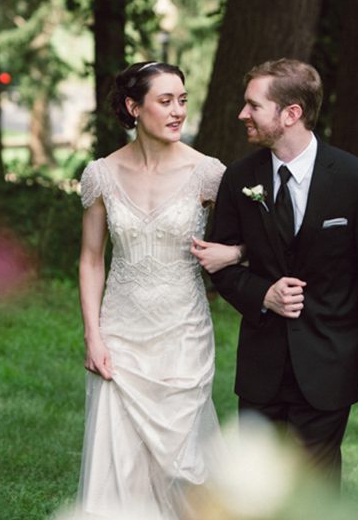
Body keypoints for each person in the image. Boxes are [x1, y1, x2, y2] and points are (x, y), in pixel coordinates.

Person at [204, 58, 358, 489]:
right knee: (255, 490)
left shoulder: (357, 180)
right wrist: (263, 294)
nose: (242, 115)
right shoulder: (240, 178)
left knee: (311, 491)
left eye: (253, 106)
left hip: (330, 363)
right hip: (262, 366)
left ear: (290, 113)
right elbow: (219, 264)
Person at [77, 61, 241, 519]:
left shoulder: (209, 174)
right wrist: (93, 334)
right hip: (121, 332)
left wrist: (233, 253)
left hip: (183, 332)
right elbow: (92, 258)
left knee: (186, 463)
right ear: (134, 107)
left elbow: (254, 242)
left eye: (182, 100)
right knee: (120, 460)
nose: (178, 112)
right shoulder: (101, 176)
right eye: (165, 101)